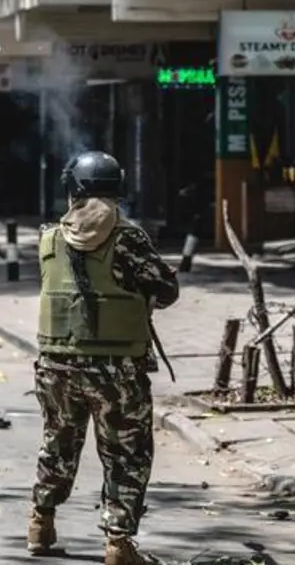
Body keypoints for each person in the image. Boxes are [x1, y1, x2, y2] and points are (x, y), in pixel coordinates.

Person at [28, 151, 179, 564]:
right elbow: (166, 290)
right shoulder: (129, 238)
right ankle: (118, 543)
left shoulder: (49, 237)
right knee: (126, 454)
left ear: (73, 188)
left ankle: (40, 522)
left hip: (56, 365)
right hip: (117, 371)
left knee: (57, 444)